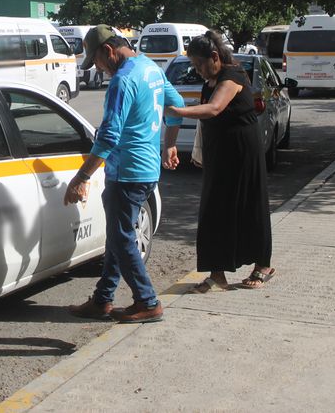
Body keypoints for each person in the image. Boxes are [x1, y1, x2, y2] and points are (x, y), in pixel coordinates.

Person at [64, 24, 184, 323]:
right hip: (146, 170)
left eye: (98, 62)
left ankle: (147, 301)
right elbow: (177, 105)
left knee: (121, 238)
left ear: (108, 51)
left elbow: (108, 136)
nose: (100, 70)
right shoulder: (150, 68)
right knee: (119, 238)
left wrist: (82, 177)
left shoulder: (123, 80)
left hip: (127, 172)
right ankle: (102, 299)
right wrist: (168, 145)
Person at [167, 30, 274, 292]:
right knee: (214, 211)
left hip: (242, 152)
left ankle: (263, 266)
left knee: (249, 206)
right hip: (218, 154)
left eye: (200, 64)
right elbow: (209, 121)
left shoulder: (233, 76)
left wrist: (177, 111)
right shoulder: (209, 82)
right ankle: (217, 273)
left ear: (214, 56)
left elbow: (214, 108)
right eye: (194, 65)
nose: (198, 70)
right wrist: (201, 153)